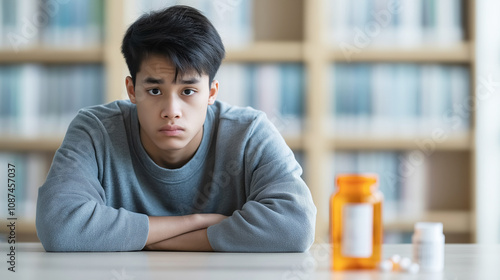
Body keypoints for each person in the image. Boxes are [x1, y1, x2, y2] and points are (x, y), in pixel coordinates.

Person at [36, 5, 316, 252]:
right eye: (155, 90)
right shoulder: (95, 130)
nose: (171, 110)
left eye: (188, 91)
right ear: (132, 90)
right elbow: (59, 227)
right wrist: (194, 223)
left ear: (211, 93)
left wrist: (150, 239)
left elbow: (296, 226)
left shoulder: (249, 133)